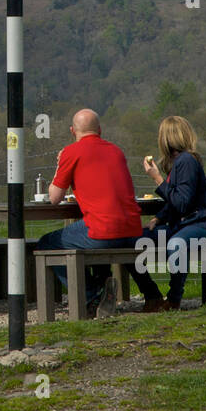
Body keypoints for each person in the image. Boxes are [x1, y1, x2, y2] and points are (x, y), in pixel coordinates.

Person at [37, 109, 163, 316]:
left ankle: (93, 296)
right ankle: (153, 296)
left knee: (47, 243)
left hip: (102, 232)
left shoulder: (71, 152)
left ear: (72, 131)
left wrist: (60, 164)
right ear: (100, 130)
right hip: (133, 229)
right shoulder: (116, 151)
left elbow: (54, 197)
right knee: (122, 239)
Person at [141, 115, 206, 310]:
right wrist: (159, 218)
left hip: (201, 225)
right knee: (134, 238)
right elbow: (178, 199)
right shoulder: (180, 162)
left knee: (176, 244)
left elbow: (182, 203)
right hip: (182, 224)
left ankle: (174, 298)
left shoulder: (186, 162)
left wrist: (157, 179)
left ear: (166, 139)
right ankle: (151, 294)